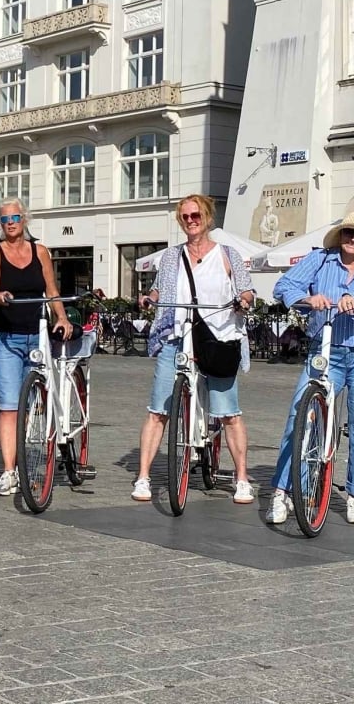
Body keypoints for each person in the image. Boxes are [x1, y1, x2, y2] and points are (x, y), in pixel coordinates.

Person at [267, 211, 354, 527]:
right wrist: (307, 298)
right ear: (340, 235)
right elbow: (283, 286)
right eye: (348, 234)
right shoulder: (319, 259)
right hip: (326, 351)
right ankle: (284, 492)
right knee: (299, 418)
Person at [131, 195, 257, 505]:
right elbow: (160, 288)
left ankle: (241, 478)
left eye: (196, 215)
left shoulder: (228, 255)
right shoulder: (172, 257)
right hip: (177, 335)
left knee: (228, 413)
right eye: (185, 216)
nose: (190, 220)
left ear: (208, 218)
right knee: (157, 410)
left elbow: (247, 289)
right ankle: (144, 476)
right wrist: (149, 298)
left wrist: (244, 299)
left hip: (218, 336)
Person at [0, 198, 73, 496]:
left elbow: (52, 290)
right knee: (9, 405)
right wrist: (0, 297)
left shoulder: (41, 251)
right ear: (0, 223)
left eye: (16, 217)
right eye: (5, 219)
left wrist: (61, 316)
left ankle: (33, 461)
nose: (11, 223)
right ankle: (10, 472)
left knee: (35, 404)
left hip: (38, 335)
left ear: (25, 220)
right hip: (6, 338)